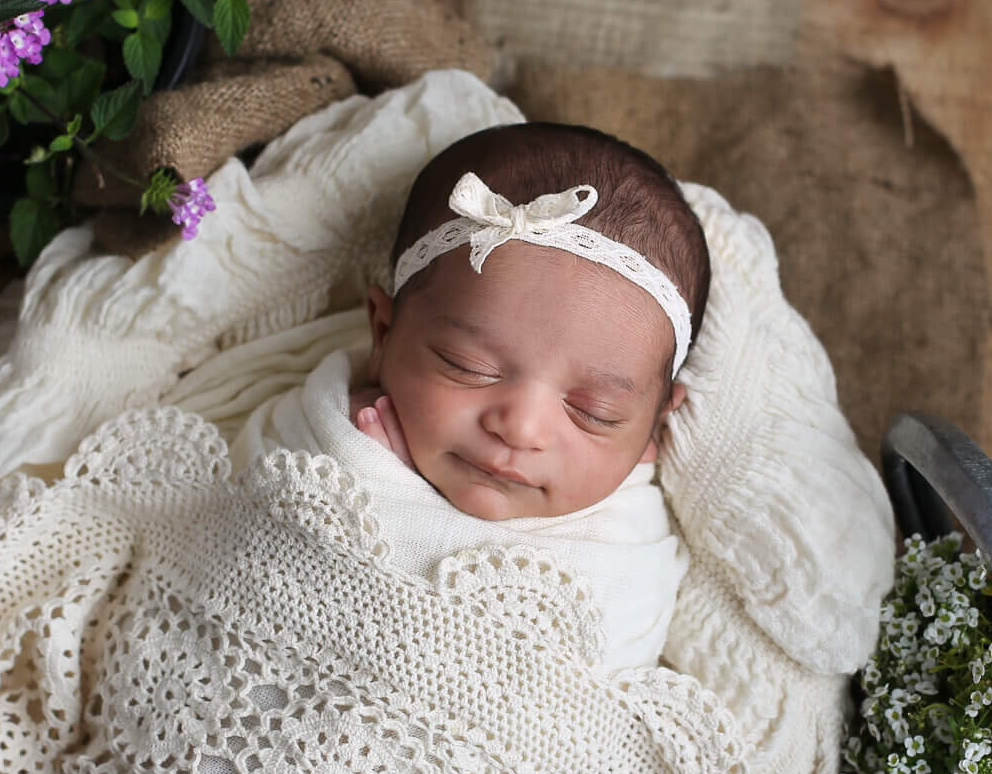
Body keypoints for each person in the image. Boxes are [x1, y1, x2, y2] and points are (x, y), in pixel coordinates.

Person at [240, 121, 712, 671]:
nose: (520, 428)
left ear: (654, 428)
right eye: (470, 367)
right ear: (384, 332)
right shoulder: (324, 434)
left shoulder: (624, 545)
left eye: (593, 413)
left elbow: (587, 695)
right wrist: (363, 481)